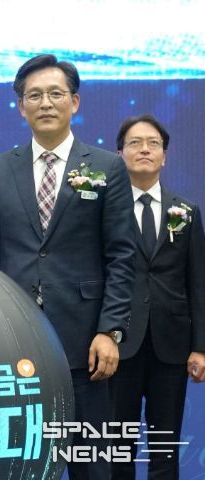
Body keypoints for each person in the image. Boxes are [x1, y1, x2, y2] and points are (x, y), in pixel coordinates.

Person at [0, 54, 135, 478]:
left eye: (56, 93)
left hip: (86, 343)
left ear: (75, 102)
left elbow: (122, 256)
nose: (46, 103)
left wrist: (111, 330)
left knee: (90, 464)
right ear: (21, 107)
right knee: (20, 461)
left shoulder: (107, 167)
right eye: (34, 96)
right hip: (14, 339)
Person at [111, 115, 205, 479]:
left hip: (172, 346)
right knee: (118, 449)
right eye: (134, 143)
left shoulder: (186, 212)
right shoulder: (105, 210)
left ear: (164, 156)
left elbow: (197, 283)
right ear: (120, 154)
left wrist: (200, 347)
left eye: (153, 143)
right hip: (119, 343)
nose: (144, 149)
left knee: (165, 449)